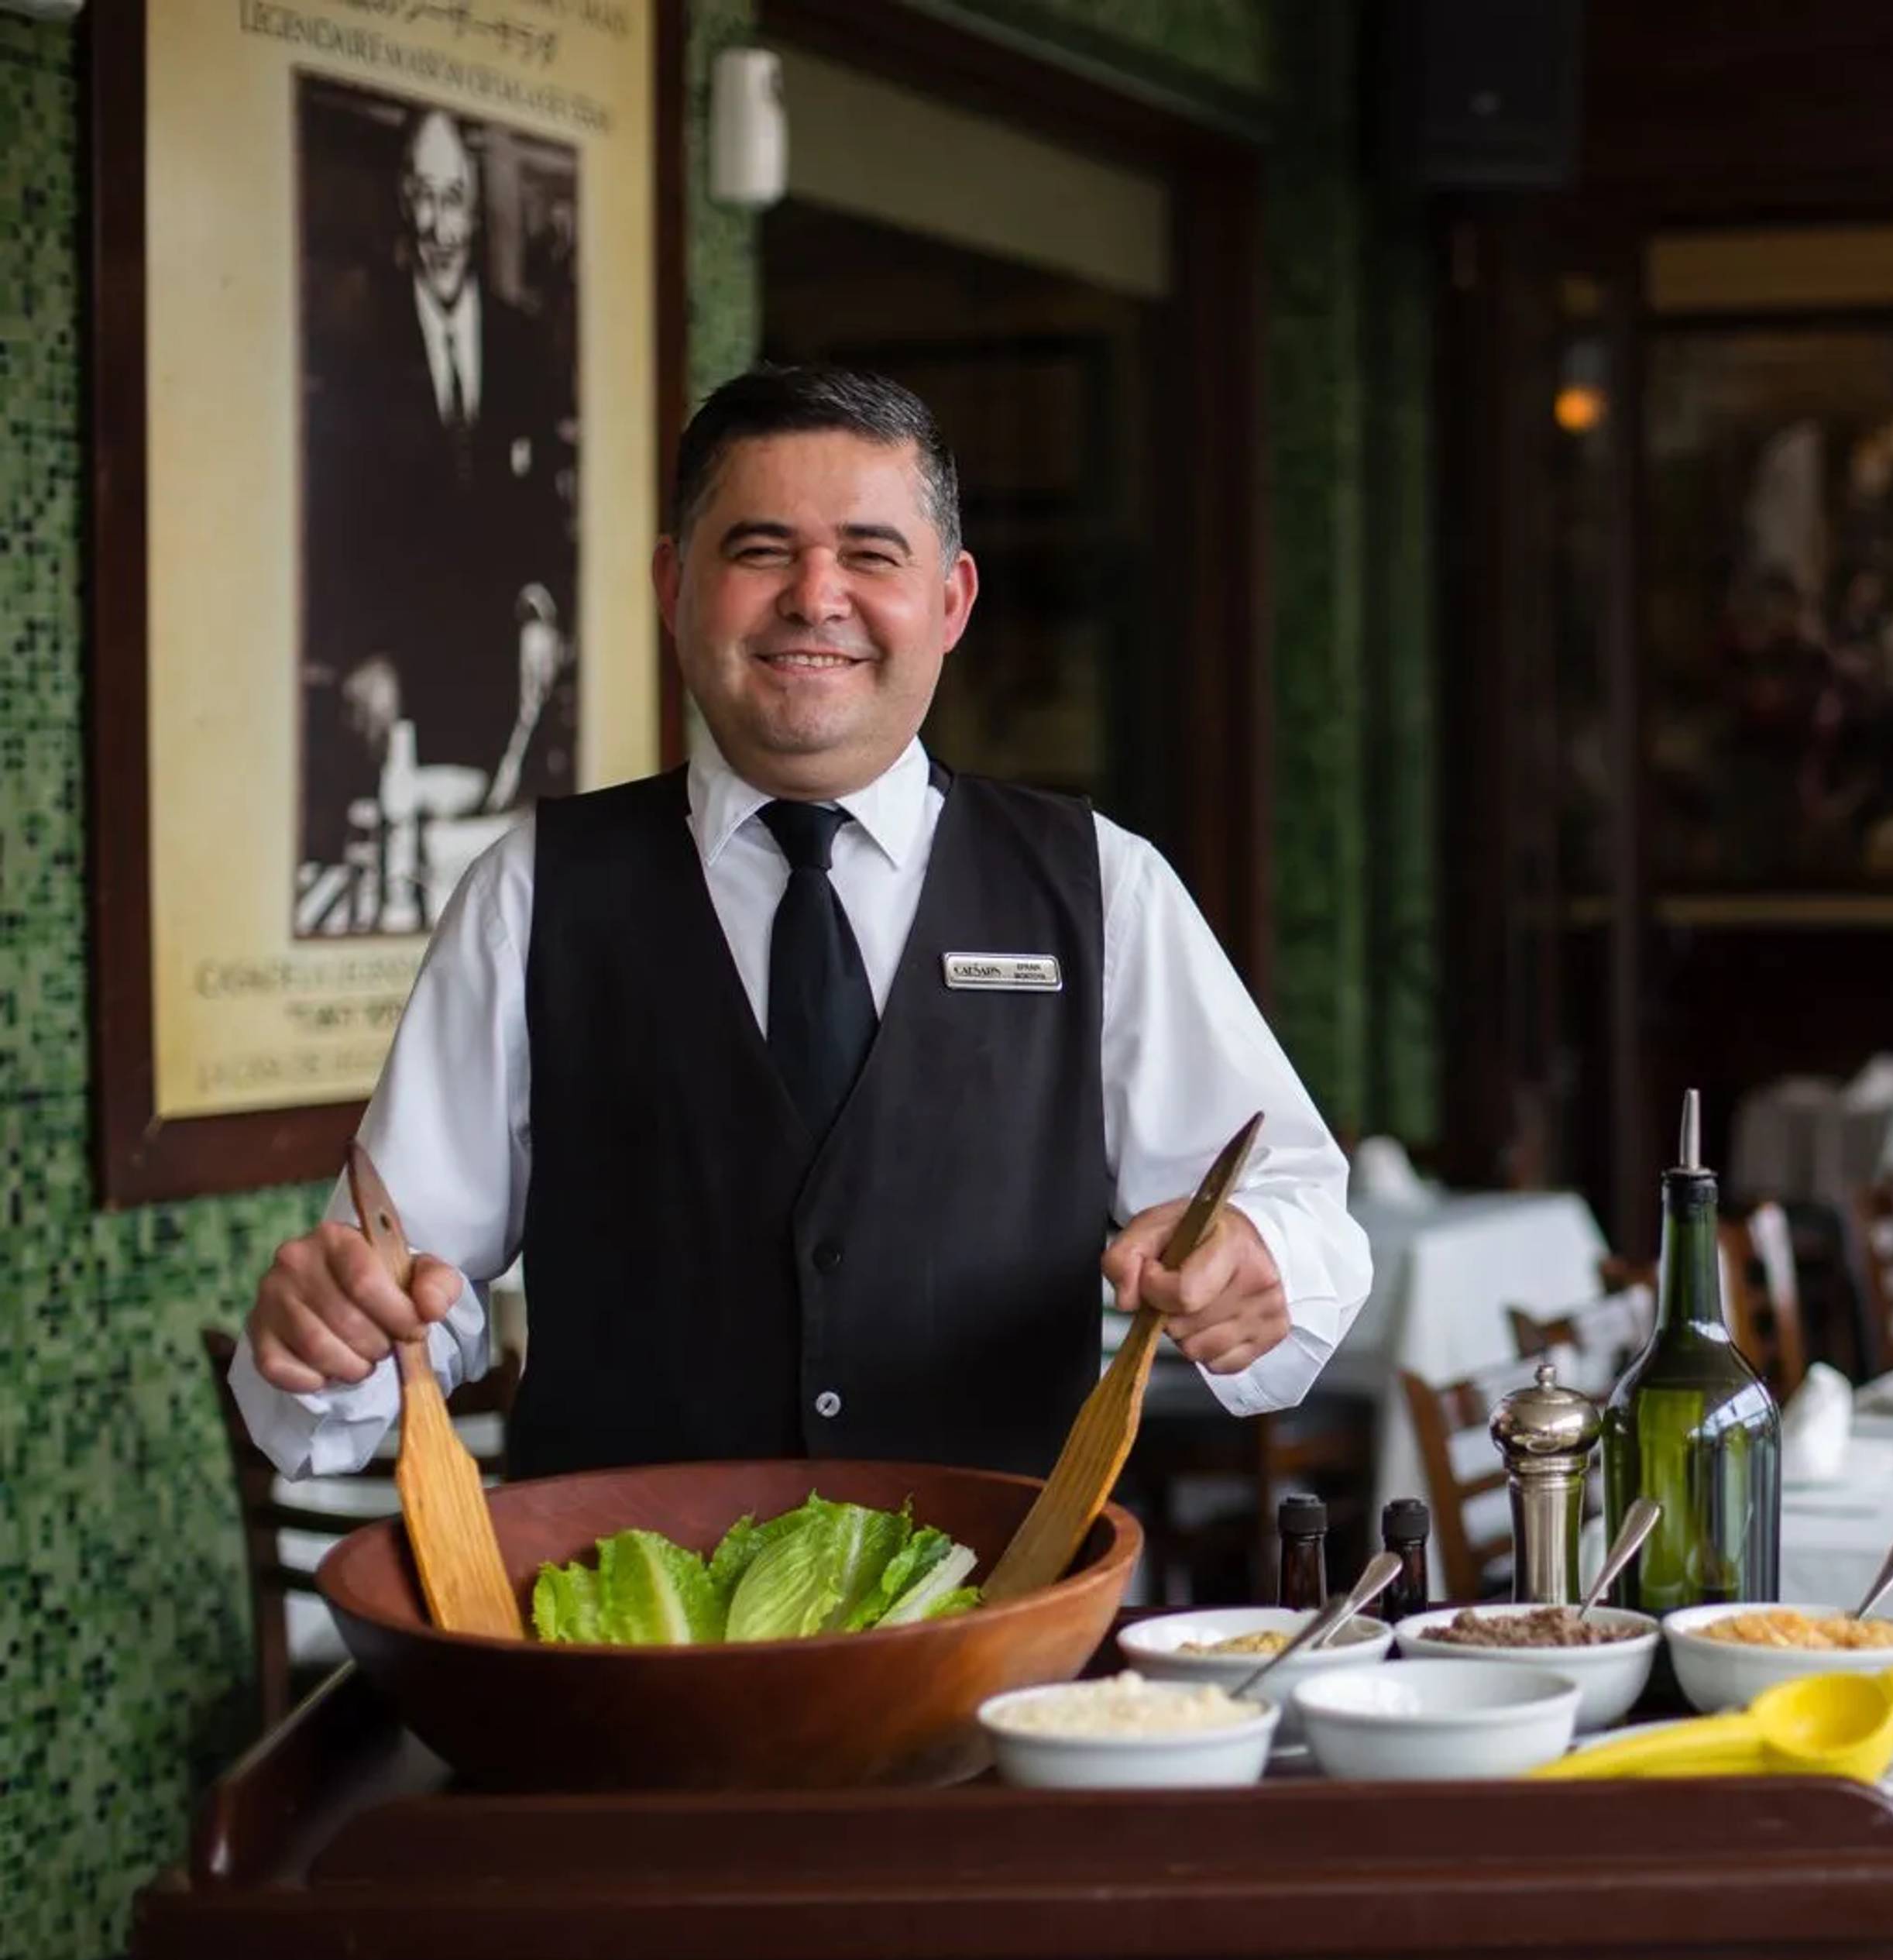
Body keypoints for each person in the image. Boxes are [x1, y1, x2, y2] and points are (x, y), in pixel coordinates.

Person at [237, 365, 1371, 1480]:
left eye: (872, 555)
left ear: (951, 601)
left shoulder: (1099, 886)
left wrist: (1256, 1258)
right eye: (760, 549)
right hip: (626, 1635)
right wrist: (331, 1334)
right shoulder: (533, 891)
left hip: (1002, 1625)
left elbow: (1295, 1203)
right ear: (674, 586)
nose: (815, 596)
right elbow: (397, 1291)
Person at [300, 103, 576, 926]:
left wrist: (539, 605)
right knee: (403, 891)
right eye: (422, 196)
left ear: (473, 208)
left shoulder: (524, 341)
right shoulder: (358, 336)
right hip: (394, 673)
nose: (438, 223)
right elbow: (332, 514)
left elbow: (542, 502)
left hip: (495, 670)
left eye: (452, 198)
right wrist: (358, 651)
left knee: (496, 892)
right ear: (400, 202)